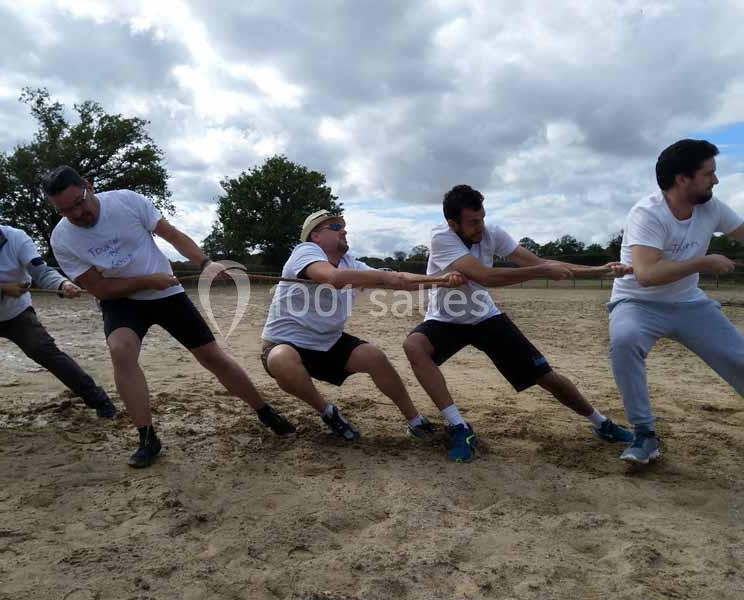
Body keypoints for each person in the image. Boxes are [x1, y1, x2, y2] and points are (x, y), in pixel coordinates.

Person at [45, 166, 294, 468]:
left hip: (167, 295)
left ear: (89, 187)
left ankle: (264, 411)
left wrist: (205, 263)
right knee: (121, 350)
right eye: (66, 210)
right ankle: (147, 437)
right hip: (120, 300)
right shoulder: (62, 238)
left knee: (212, 356)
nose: (77, 213)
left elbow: (172, 235)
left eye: (79, 202)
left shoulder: (126, 201)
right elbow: (99, 288)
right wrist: (147, 281)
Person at [403, 185, 634, 462]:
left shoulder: (491, 233)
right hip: (445, 319)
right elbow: (486, 277)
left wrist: (598, 270)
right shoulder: (442, 237)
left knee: (546, 376)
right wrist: (540, 271)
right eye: (473, 222)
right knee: (414, 346)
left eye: (482, 218)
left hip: (485, 317)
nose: (481, 226)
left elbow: (539, 261)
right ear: (453, 224)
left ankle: (601, 423)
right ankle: (459, 427)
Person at [261, 209, 464, 441]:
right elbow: (334, 278)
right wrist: (385, 277)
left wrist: (442, 280)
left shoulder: (351, 264)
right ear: (315, 236)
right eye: (335, 227)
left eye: (343, 227)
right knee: (281, 359)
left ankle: (415, 420)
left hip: (328, 342)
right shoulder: (305, 251)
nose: (343, 231)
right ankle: (328, 413)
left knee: (375, 358)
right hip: (285, 344)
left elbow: (401, 282)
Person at [609, 139, 744, 464]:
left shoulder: (712, 208)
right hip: (637, 302)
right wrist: (703, 262)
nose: (715, 180)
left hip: (689, 303)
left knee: (739, 358)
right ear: (683, 178)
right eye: (708, 173)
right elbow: (646, 274)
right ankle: (645, 435)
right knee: (625, 341)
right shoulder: (647, 213)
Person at [0, 198, 116, 435]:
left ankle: (96, 398)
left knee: (43, 349)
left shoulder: (17, 238)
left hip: (16, 311)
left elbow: (40, 271)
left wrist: (62, 285)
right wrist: (1, 289)